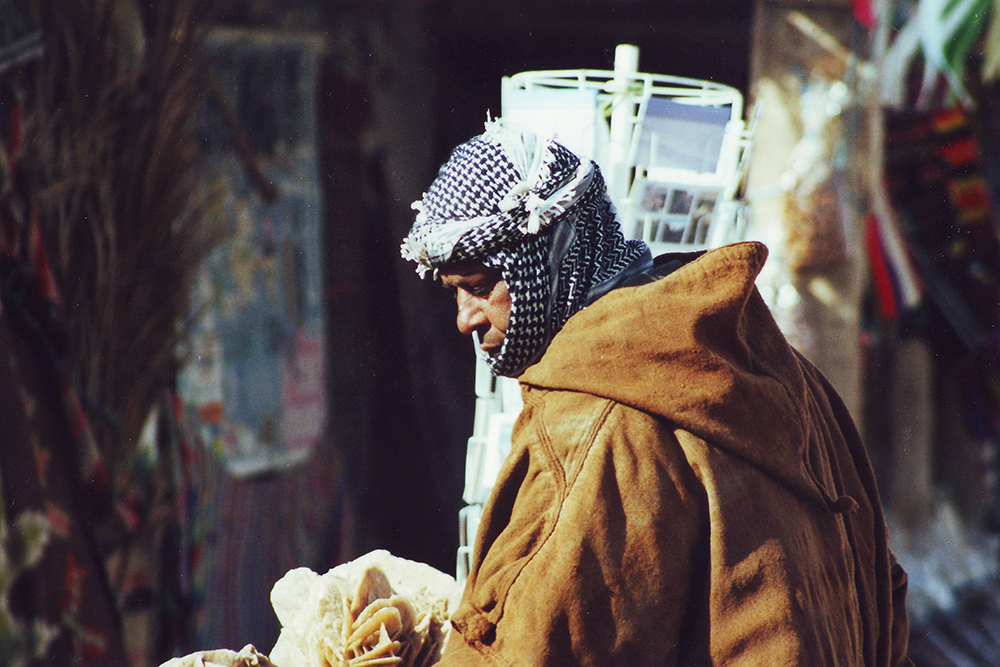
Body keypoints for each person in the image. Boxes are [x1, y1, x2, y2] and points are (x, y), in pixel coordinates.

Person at [400, 118, 912, 666]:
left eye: (480, 287)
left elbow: (531, 646)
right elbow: (885, 597)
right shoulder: (783, 369)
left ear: (553, 258)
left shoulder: (593, 424)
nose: (465, 321)